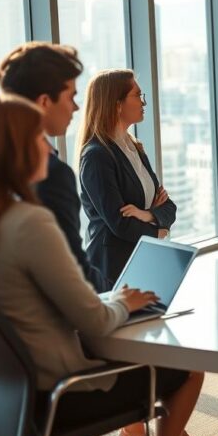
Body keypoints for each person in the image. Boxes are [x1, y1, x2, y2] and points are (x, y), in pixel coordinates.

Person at [0, 96, 212, 436]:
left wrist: (110, 299)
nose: (50, 146)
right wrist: (121, 301)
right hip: (60, 392)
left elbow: (29, 303)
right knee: (188, 370)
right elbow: (93, 320)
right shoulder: (29, 222)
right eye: (39, 138)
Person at [0, 42, 107, 292]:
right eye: (71, 97)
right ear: (45, 101)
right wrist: (120, 294)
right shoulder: (51, 174)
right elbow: (75, 273)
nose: (76, 107)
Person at [77, 69, 177, 285]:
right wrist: (159, 231)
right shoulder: (96, 156)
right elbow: (120, 224)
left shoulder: (135, 148)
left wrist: (146, 214)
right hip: (113, 269)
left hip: (143, 262)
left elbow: (169, 207)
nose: (144, 103)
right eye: (137, 96)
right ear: (117, 103)